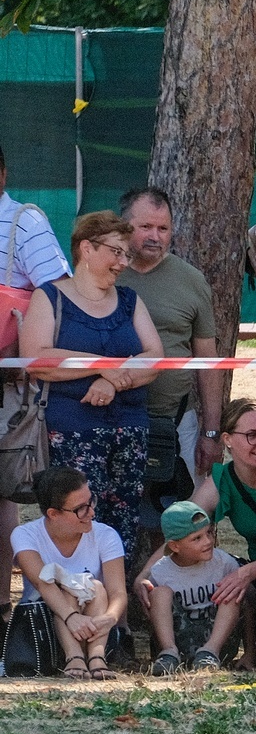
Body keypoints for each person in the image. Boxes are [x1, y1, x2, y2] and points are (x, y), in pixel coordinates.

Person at [19, 211, 162, 577]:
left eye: (126, 254)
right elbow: (38, 359)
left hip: (129, 429)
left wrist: (111, 380)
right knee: (77, 516)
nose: (123, 262)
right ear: (86, 248)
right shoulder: (49, 296)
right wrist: (102, 366)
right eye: (116, 252)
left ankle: (116, 601)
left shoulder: (129, 300)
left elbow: (154, 358)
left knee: (123, 517)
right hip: (71, 430)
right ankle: (75, 596)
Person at [134, 398, 256, 668]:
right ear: (227, 440)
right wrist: (144, 575)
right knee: (235, 585)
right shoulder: (223, 479)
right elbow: (182, 529)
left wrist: (246, 573)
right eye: (251, 435)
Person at [0, 144, 71, 628]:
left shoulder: (25, 222)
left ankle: (1, 610)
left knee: (2, 496)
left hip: (8, 387)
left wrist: (22, 353)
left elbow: (59, 296)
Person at [115, 186, 224, 493]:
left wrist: (211, 433)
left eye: (163, 228)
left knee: (183, 513)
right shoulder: (105, 275)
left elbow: (208, 360)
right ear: (124, 226)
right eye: (145, 227)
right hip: (111, 417)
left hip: (177, 422)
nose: (155, 236)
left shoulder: (191, 280)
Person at [11, 466, 128, 680]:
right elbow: (42, 583)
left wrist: (110, 618)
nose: (91, 513)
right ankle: (74, 656)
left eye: (91, 502)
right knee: (65, 587)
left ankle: (96, 657)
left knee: (96, 587)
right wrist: (71, 616)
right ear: (53, 514)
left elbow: (118, 591)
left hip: (96, 628)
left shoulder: (106, 535)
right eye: (80, 509)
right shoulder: (25, 535)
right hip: (44, 629)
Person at [143, 502, 241, 675]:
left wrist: (250, 654)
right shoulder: (161, 571)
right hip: (180, 640)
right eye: (197, 538)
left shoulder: (223, 562)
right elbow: (153, 613)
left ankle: (209, 652)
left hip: (218, 642)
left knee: (232, 589)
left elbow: (246, 605)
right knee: (158, 593)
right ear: (175, 546)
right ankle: (168, 652)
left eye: (209, 533)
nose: (208, 541)